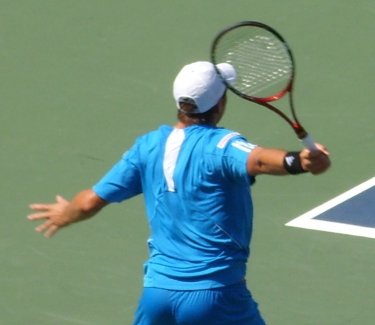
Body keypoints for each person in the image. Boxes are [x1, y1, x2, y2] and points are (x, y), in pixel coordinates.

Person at [28, 61, 330, 324]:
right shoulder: (222, 145)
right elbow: (260, 160)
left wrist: (64, 214)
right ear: (220, 103)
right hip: (216, 296)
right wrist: (299, 161)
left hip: (157, 296)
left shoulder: (147, 147)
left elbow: (91, 201)